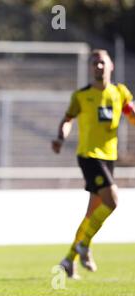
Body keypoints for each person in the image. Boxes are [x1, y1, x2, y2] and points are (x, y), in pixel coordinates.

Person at [52, 49, 135, 279]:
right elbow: (67, 119)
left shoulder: (120, 93)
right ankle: (84, 245)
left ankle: (68, 260)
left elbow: (131, 113)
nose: (98, 66)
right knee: (113, 200)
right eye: (94, 63)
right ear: (90, 67)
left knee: (92, 213)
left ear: (111, 66)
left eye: (102, 63)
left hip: (109, 158)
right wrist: (61, 137)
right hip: (89, 156)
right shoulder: (81, 96)